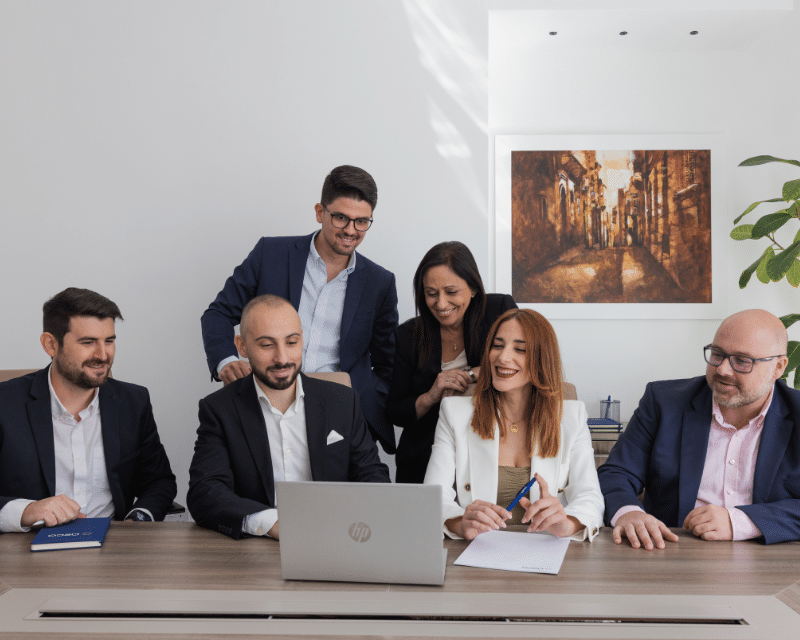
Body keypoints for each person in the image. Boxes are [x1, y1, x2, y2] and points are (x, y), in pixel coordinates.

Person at [201, 165, 399, 453]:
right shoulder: (270, 255)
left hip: (340, 409)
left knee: (340, 497)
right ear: (320, 212)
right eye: (341, 218)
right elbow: (218, 313)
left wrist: (364, 400)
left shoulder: (380, 282)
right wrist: (225, 361)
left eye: (362, 222)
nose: (351, 230)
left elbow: (387, 364)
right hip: (268, 398)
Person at [188, 295, 390, 540]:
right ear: (241, 346)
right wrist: (272, 524)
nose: (282, 358)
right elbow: (205, 492)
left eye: (292, 342)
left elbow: (373, 476)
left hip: (336, 538)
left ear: (302, 339)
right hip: (258, 545)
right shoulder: (218, 409)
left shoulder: (343, 401)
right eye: (266, 345)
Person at [598, 308, 800, 549]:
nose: (723, 370)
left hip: (772, 560)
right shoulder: (663, 402)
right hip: (671, 553)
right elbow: (617, 473)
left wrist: (740, 521)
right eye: (717, 354)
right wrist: (628, 512)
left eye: (742, 361)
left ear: (778, 367)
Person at [0, 288, 177, 531]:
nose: (103, 355)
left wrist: (139, 517)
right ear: (50, 344)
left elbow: (159, 482)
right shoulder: (5, 404)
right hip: (29, 551)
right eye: (88, 343)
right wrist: (26, 511)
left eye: (109, 341)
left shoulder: (133, 402)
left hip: (113, 549)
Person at [424, 309, 604, 541]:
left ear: (542, 359)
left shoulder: (572, 415)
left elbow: (590, 496)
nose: (503, 357)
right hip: (479, 554)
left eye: (520, 349)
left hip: (547, 552)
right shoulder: (454, 412)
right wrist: (460, 523)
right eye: (497, 346)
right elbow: (432, 496)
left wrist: (567, 524)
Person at [386, 242, 517, 483]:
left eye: (451, 291)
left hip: (496, 447)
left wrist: (472, 374)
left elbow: (527, 364)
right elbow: (395, 411)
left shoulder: (499, 311)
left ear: (473, 288)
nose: (441, 304)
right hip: (426, 455)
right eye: (431, 293)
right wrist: (430, 395)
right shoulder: (408, 334)